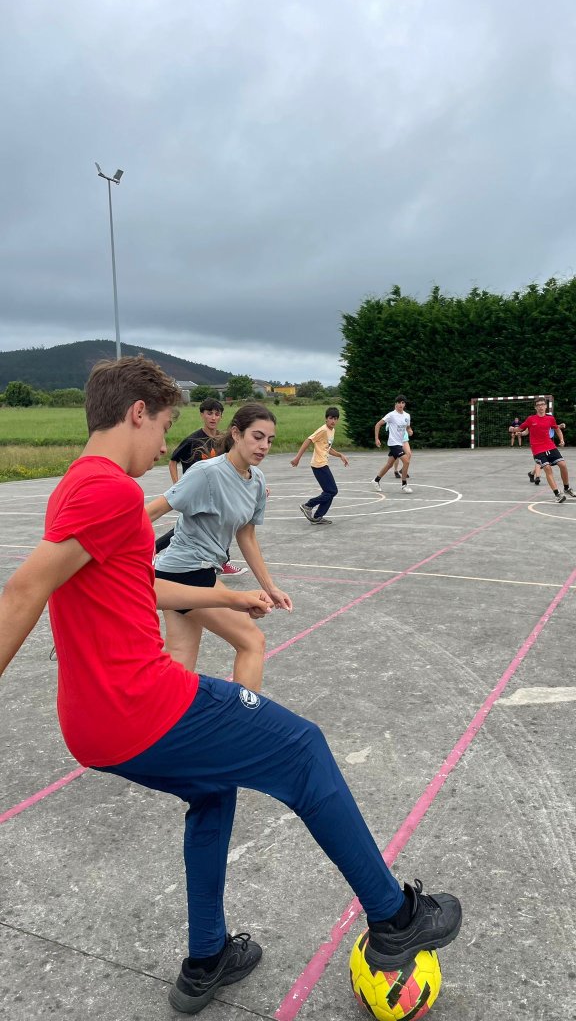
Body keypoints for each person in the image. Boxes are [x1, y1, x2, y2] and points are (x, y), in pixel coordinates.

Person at [0, 355, 462, 1016]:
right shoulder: (110, 491)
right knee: (301, 748)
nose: (167, 446)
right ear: (137, 413)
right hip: (141, 705)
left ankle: (207, 958)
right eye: (165, 427)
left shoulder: (75, 485)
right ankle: (395, 917)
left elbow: (132, 584)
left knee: (213, 794)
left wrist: (227, 595)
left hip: (93, 725)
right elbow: (23, 590)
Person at [147, 403, 292, 692]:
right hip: (184, 572)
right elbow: (152, 511)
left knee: (180, 660)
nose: (264, 446)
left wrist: (271, 587)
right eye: (257, 437)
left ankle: (154, 717)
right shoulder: (207, 473)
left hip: (194, 571)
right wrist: (98, 551)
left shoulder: (257, 481)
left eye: (270, 440)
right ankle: (246, 717)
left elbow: (247, 536)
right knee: (252, 642)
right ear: (236, 434)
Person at [156, 397, 248, 578]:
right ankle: (154, 548)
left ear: (221, 416)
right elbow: (173, 461)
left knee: (222, 523)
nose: (213, 417)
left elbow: (232, 463)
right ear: (202, 415)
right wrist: (178, 485)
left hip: (218, 492)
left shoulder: (224, 439)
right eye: (209, 413)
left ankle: (223, 562)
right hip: (196, 492)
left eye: (217, 414)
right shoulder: (193, 440)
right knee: (188, 528)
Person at [291, 407, 349, 525]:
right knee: (332, 490)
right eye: (331, 418)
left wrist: (340, 455)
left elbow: (327, 448)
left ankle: (318, 517)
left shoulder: (331, 431)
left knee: (330, 491)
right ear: (326, 419)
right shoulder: (323, 430)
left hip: (323, 463)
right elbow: (308, 440)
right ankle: (308, 505)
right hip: (318, 465)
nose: (333, 421)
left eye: (335, 419)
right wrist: (297, 458)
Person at [515, 399, 574, 503]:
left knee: (563, 465)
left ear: (546, 406)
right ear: (535, 407)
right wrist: (515, 430)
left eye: (542, 404)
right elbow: (521, 429)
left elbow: (557, 429)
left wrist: (562, 439)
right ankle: (557, 494)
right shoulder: (531, 419)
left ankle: (566, 488)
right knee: (547, 468)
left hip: (550, 446)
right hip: (537, 448)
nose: (540, 407)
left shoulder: (550, 418)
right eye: (538, 405)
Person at [371, 396, 413, 493]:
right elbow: (378, 424)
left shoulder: (407, 416)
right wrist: (377, 438)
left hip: (400, 443)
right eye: (399, 402)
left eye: (403, 403)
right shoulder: (391, 415)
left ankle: (376, 480)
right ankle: (404, 485)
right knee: (406, 461)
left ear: (405, 404)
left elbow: (408, 427)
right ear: (395, 404)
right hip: (393, 443)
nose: (401, 405)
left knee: (389, 465)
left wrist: (410, 431)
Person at [526, 417, 566, 485]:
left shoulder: (549, 421)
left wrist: (560, 426)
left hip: (548, 443)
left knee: (545, 463)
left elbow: (554, 426)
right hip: (539, 444)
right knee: (540, 461)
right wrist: (520, 433)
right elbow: (526, 431)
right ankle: (537, 477)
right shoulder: (534, 422)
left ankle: (532, 473)